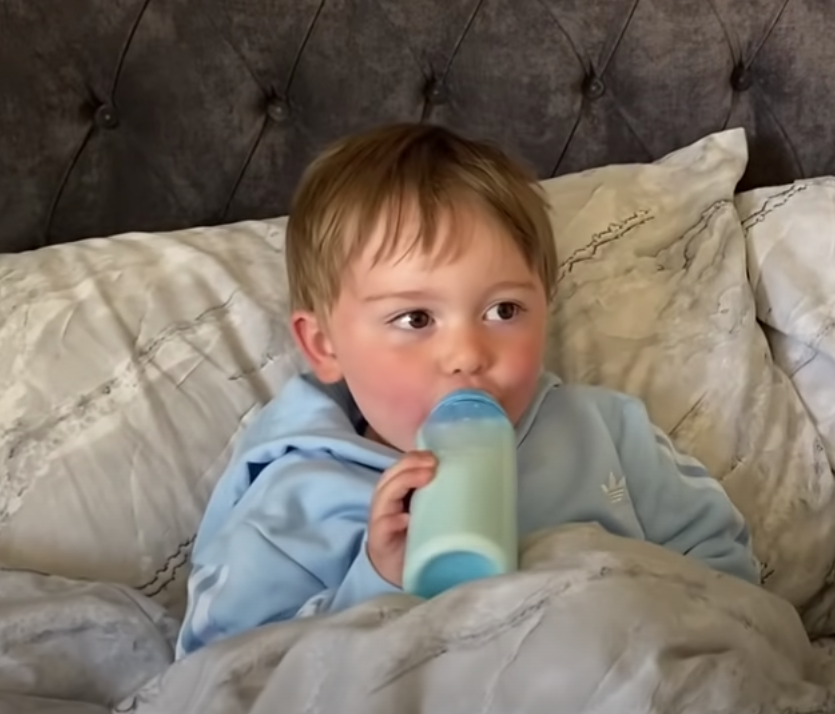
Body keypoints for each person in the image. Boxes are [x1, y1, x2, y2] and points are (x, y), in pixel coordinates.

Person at [175, 124, 758, 658]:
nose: (468, 355)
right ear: (325, 345)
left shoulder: (607, 435)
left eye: (504, 310)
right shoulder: (295, 496)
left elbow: (724, 572)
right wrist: (375, 583)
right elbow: (224, 669)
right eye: (415, 319)